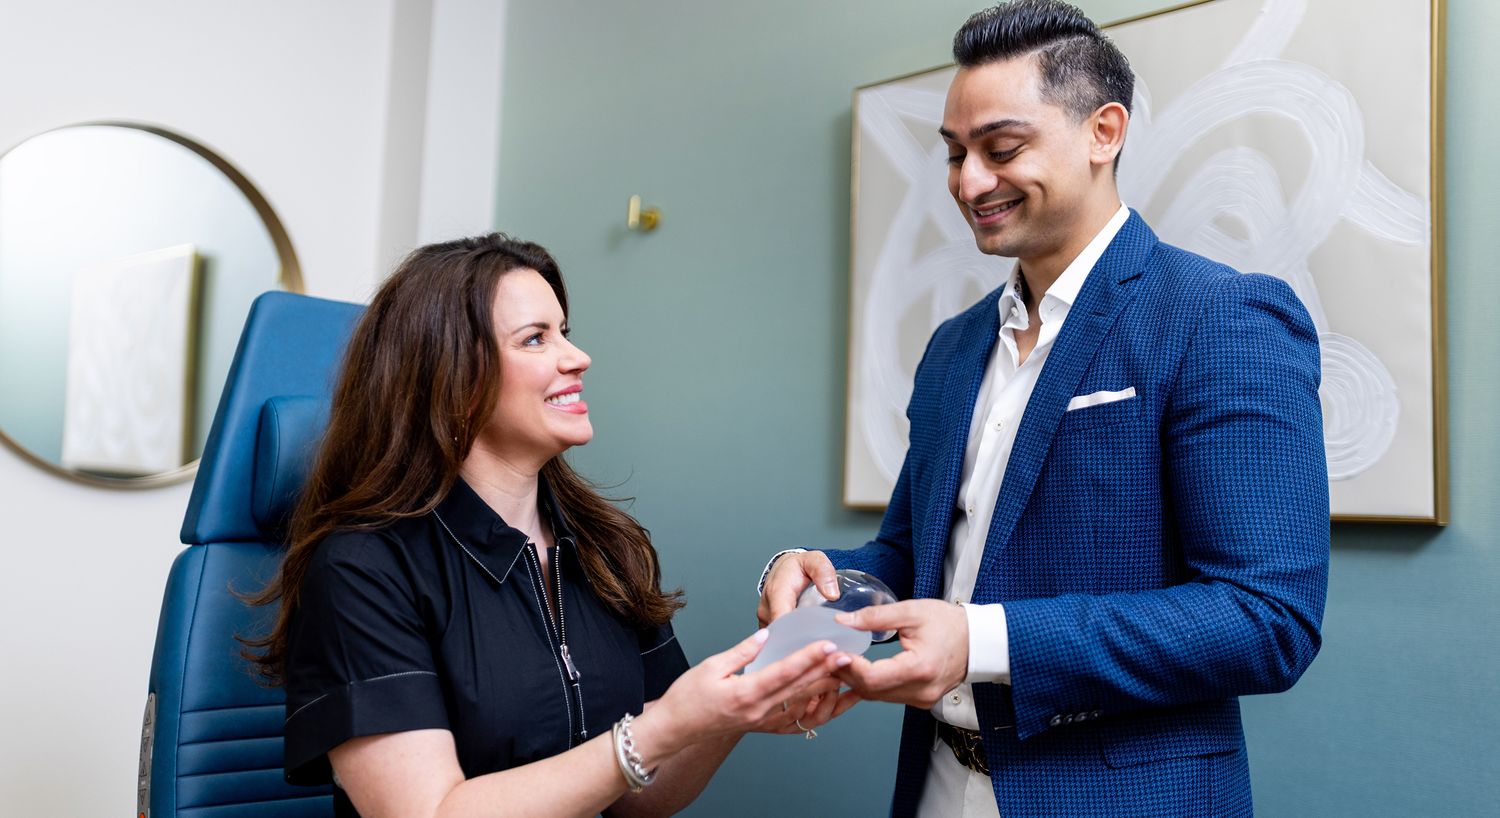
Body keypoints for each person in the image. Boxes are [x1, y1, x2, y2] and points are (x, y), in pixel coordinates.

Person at [759, 2, 1330, 816]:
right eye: (955, 154)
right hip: (934, 783)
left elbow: (1267, 619)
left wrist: (983, 642)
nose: (967, 182)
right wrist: (822, 579)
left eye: (1001, 148)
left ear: (1104, 132)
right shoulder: (955, 347)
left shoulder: (1220, 318)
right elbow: (911, 551)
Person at [245, 234, 857, 818]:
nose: (578, 357)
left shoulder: (606, 548)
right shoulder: (362, 569)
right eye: (536, 339)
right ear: (453, 377)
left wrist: (737, 704)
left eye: (564, 332)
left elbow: (639, 800)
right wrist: (662, 728)